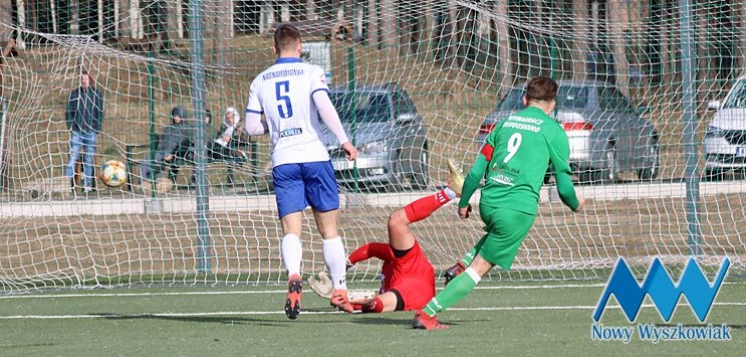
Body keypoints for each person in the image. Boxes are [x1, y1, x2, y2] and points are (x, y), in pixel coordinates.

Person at [412, 77, 588, 330]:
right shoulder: (554, 131)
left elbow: (474, 174)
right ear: (553, 104)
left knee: (494, 237)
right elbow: (563, 188)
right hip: (517, 210)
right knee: (479, 270)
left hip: (489, 203)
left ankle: (459, 266)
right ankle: (428, 313)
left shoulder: (503, 124)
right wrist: (576, 205)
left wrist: (463, 202)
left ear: (525, 100)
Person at [244, 23, 358, 320]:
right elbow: (323, 105)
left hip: (283, 160)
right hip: (314, 156)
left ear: (274, 49)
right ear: (300, 46)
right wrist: (344, 140)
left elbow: (252, 127)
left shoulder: (260, 81)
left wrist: (275, 124)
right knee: (328, 229)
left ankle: (294, 273)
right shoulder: (310, 72)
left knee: (291, 229)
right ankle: (340, 289)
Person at [310, 160, 465, 314]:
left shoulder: (393, 258)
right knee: (396, 221)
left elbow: (372, 249)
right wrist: (339, 291)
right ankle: (450, 192)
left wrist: (345, 265)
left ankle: (451, 192)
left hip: (410, 278)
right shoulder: (396, 269)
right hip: (412, 287)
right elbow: (375, 303)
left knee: (396, 221)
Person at [65, 69, 104, 193]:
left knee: (88, 159)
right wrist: (71, 126)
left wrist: (97, 128)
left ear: (89, 80)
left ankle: (87, 185)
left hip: (91, 131)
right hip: (77, 131)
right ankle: (67, 184)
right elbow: (68, 112)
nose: (84, 81)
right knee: (73, 157)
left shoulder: (96, 94)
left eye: (86, 79)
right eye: (82, 79)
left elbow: (100, 113)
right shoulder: (74, 94)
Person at [140, 106, 191, 190]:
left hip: (175, 153)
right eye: (174, 116)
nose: (176, 118)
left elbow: (185, 144)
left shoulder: (187, 129)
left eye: (178, 116)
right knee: (147, 161)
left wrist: (173, 154)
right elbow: (162, 142)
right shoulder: (169, 128)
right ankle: (147, 182)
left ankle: (151, 183)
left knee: (154, 162)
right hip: (162, 152)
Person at [208, 107, 250, 185]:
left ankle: (241, 157)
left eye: (231, 117)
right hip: (221, 148)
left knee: (210, 146)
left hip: (232, 149)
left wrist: (231, 138)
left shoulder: (241, 125)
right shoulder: (224, 127)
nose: (229, 119)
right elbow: (217, 137)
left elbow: (244, 138)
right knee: (208, 147)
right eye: (227, 118)